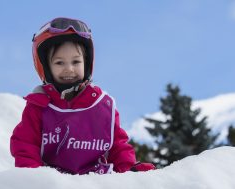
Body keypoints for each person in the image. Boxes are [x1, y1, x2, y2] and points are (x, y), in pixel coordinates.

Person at [10, 17, 155, 174]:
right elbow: (26, 145)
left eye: (76, 62)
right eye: (59, 62)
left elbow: (117, 146)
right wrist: (33, 178)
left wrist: (128, 170)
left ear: (86, 63)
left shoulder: (102, 106)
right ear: (45, 67)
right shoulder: (39, 106)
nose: (69, 69)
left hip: (95, 183)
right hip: (54, 185)